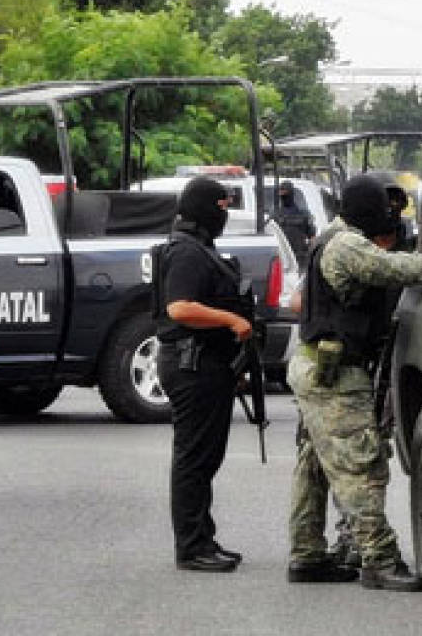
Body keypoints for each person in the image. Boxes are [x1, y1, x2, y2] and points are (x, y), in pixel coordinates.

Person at [287, 174, 422, 590]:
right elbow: (393, 269)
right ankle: (379, 559)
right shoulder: (347, 243)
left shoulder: (328, 239)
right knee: (362, 466)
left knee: (316, 465)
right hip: (334, 373)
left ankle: (307, 554)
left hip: (314, 367)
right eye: (382, 206)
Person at [156, 176, 252, 573]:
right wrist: (231, 320)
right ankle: (192, 547)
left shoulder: (198, 248)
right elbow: (179, 308)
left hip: (204, 364)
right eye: (221, 207)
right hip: (191, 363)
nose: (224, 214)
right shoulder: (187, 253)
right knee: (194, 459)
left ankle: (203, 538)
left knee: (204, 458)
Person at [275, 180, 317, 266]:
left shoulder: (303, 214)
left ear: (291, 193)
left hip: (300, 257)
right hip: (282, 257)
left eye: (285, 192)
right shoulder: (275, 214)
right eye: (281, 193)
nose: (283, 195)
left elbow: (312, 237)